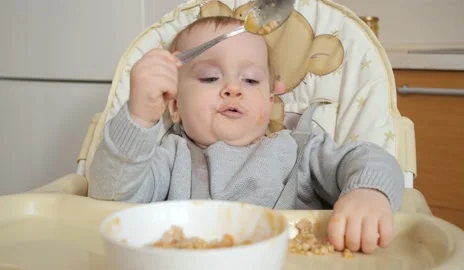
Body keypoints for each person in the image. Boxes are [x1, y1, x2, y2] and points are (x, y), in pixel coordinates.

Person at [88, 16, 404, 254]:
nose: (233, 88)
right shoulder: (169, 159)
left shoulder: (300, 153)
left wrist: (368, 193)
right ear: (174, 106)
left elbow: (366, 158)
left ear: (269, 102)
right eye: (210, 77)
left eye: (251, 80)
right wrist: (139, 117)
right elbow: (111, 199)